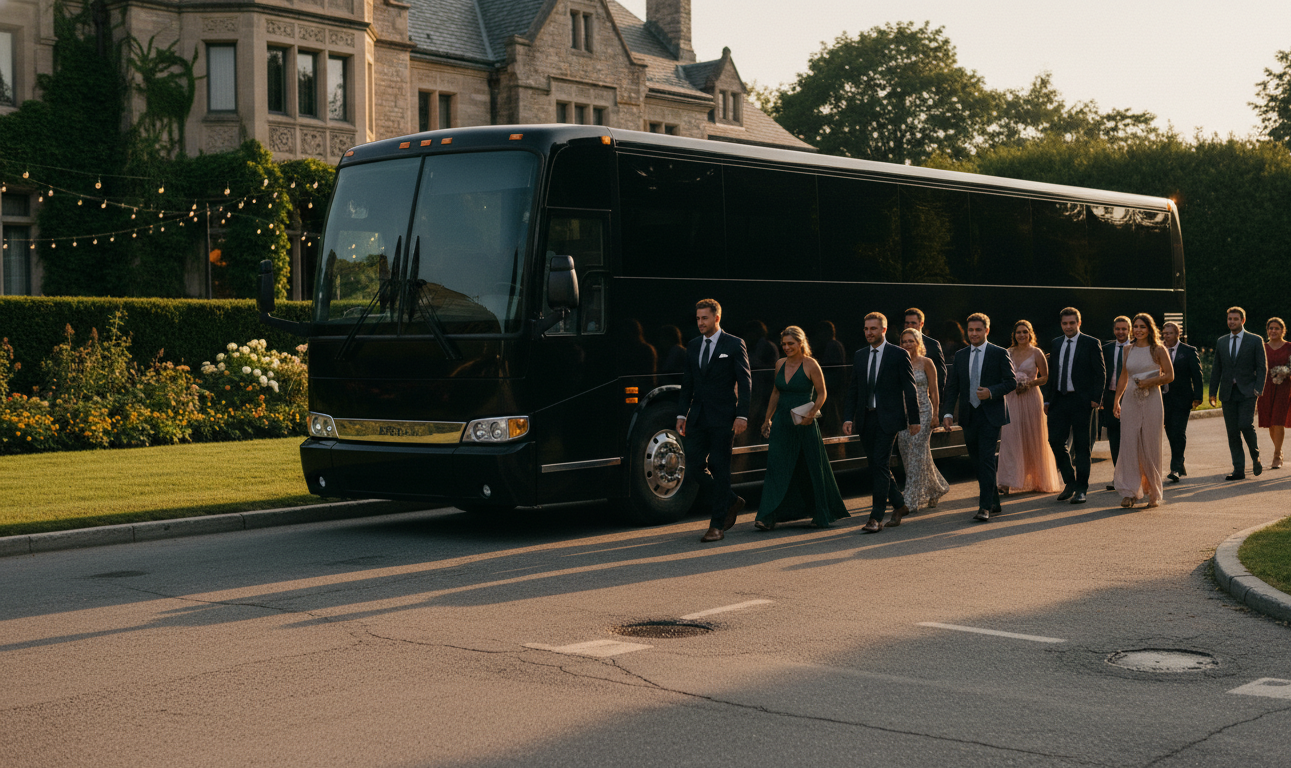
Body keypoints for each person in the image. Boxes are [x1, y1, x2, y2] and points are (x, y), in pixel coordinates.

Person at [755, 327, 849, 530]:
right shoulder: (779, 363)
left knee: (810, 467)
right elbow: (775, 393)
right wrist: (767, 419)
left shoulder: (811, 364)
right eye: (784, 344)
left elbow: (822, 393)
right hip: (782, 422)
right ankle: (767, 516)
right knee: (776, 467)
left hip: (804, 422)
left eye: (791, 343)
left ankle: (820, 512)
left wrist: (812, 413)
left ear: (801, 343)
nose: (786, 347)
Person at [678, 299, 753, 542]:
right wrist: (682, 414)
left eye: (705, 318)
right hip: (698, 417)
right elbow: (687, 382)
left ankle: (717, 525)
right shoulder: (692, 345)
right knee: (693, 465)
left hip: (724, 417)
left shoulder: (733, 344)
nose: (700, 323)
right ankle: (730, 499)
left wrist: (742, 414)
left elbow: (745, 381)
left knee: (720, 468)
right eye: (698, 318)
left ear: (717, 318)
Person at [843, 312, 920, 533]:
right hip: (866, 418)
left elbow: (909, 387)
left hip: (889, 419)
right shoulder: (859, 355)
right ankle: (899, 504)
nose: (869, 332)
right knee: (878, 466)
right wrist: (848, 417)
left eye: (873, 329)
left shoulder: (898, 354)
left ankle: (875, 517)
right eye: (866, 329)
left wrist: (914, 419)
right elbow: (854, 389)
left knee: (879, 462)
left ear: (884, 330)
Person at [942, 313, 1017, 522]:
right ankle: (994, 501)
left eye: (978, 330)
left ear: (987, 331)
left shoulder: (999, 353)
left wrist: (991, 391)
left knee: (985, 460)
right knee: (976, 462)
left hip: (991, 416)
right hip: (968, 416)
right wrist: (947, 413)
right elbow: (953, 387)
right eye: (971, 330)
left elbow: (1011, 382)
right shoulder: (960, 355)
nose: (974, 334)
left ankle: (984, 507)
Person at [1043, 307, 1106, 503]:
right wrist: (1047, 399)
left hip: (1082, 401)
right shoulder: (1055, 343)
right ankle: (1069, 481)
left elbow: (1100, 372)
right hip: (1058, 400)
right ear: (1061, 324)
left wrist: (1096, 397)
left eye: (1072, 323)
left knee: (1081, 446)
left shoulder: (1091, 343)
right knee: (1054, 441)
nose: (1068, 327)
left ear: (1079, 323)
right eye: (1065, 323)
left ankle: (1081, 489)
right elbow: (1051, 374)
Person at [1113, 313, 1174, 508]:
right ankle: (1130, 492)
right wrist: (1117, 400)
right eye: (1136, 326)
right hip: (1130, 399)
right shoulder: (1127, 349)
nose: (1138, 330)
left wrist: (1150, 382)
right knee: (1129, 444)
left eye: (1142, 326)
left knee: (1149, 444)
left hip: (1152, 400)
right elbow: (1124, 376)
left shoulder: (1158, 349)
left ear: (1149, 329)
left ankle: (1153, 492)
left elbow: (1170, 376)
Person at [998, 320, 1063, 495]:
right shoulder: (1008, 352)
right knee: (1010, 438)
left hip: (1031, 398)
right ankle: (1006, 481)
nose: (1021, 335)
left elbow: (1045, 377)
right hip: (1011, 398)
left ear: (1030, 334)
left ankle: (1038, 478)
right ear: (1014, 335)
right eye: (1018, 332)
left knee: (1032, 438)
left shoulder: (1036, 352)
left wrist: (1029, 383)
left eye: (1025, 332)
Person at [1210, 306, 1268, 480]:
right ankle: (1238, 469)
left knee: (1245, 424)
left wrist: (1258, 388)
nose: (1231, 322)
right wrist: (1212, 392)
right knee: (1232, 432)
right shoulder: (1221, 341)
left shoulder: (1255, 340)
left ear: (1242, 321)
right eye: (1229, 319)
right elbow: (1216, 369)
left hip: (1248, 391)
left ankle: (1255, 455)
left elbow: (1261, 367)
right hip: (1228, 392)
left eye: (1235, 319)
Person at [895, 328, 949, 511]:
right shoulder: (898, 362)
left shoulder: (927, 362)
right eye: (904, 341)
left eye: (911, 341)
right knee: (907, 453)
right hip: (903, 414)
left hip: (924, 412)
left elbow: (934, 390)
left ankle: (911, 499)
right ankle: (937, 489)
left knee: (917, 451)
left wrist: (935, 415)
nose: (907, 344)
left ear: (918, 342)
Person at [1160, 321, 1203, 482]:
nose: (1166, 336)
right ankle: (1179, 462)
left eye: (1169, 333)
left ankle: (1175, 467)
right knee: (1170, 432)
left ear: (1177, 334)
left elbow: (1197, 375)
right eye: (1164, 333)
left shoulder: (1188, 351)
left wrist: (1198, 396)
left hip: (1182, 398)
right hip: (1163, 398)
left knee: (1178, 431)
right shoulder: (1158, 350)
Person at [1101, 316, 1133, 490]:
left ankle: (1133, 476)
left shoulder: (1135, 348)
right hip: (1111, 397)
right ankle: (1118, 476)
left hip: (1132, 398)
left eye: (1124, 329)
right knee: (1114, 438)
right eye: (1117, 329)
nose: (1121, 332)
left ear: (1129, 330)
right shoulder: (1105, 349)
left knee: (1131, 437)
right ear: (1114, 330)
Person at [1256, 316, 1290, 469]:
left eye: (1277, 328)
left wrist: (1286, 372)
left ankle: (1277, 454)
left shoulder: (1289, 347)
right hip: (1266, 387)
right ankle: (1279, 449)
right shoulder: (1262, 347)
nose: (1273, 331)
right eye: (1271, 328)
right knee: (1270, 423)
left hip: (1284, 387)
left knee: (1278, 420)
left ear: (1283, 330)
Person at [904, 308, 947, 397]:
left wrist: (936, 397)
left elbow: (940, 373)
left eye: (913, 323)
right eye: (907, 323)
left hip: (927, 396)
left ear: (921, 324)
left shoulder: (932, 344)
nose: (909, 325)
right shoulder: (900, 344)